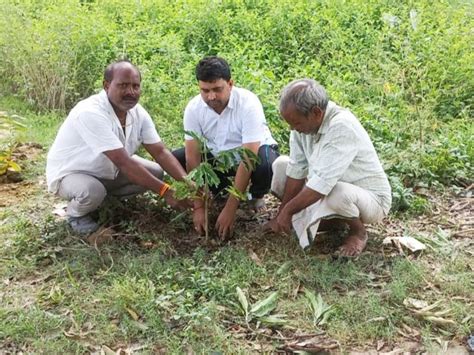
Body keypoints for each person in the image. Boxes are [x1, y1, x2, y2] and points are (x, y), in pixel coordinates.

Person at [46, 60, 190, 235]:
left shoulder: (138, 113)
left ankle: (103, 202)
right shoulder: (90, 112)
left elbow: (160, 152)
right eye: (123, 85)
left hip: (108, 170)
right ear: (106, 85)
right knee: (92, 191)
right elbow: (123, 162)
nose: (130, 92)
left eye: (135, 86)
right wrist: (165, 191)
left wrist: (190, 184)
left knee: (156, 172)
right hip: (72, 173)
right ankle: (76, 215)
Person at [266, 79, 391, 256]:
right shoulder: (302, 127)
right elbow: (296, 170)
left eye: (297, 123)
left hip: (371, 200)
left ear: (316, 113)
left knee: (336, 191)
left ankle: (358, 232)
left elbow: (322, 185)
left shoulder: (341, 126)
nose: (293, 129)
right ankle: (335, 221)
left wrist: (288, 211)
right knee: (281, 166)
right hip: (327, 189)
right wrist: (281, 213)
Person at [173, 56, 279, 238]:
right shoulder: (193, 108)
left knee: (267, 165)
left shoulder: (248, 103)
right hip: (218, 156)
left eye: (217, 89)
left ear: (230, 83)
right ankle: (218, 190)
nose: (211, 96)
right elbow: (193, 158)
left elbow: (249, 158)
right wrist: (198, 206)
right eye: (204, 90)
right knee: (175, 159)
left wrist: (231, 208)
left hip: (250, 155)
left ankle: (256, 196)